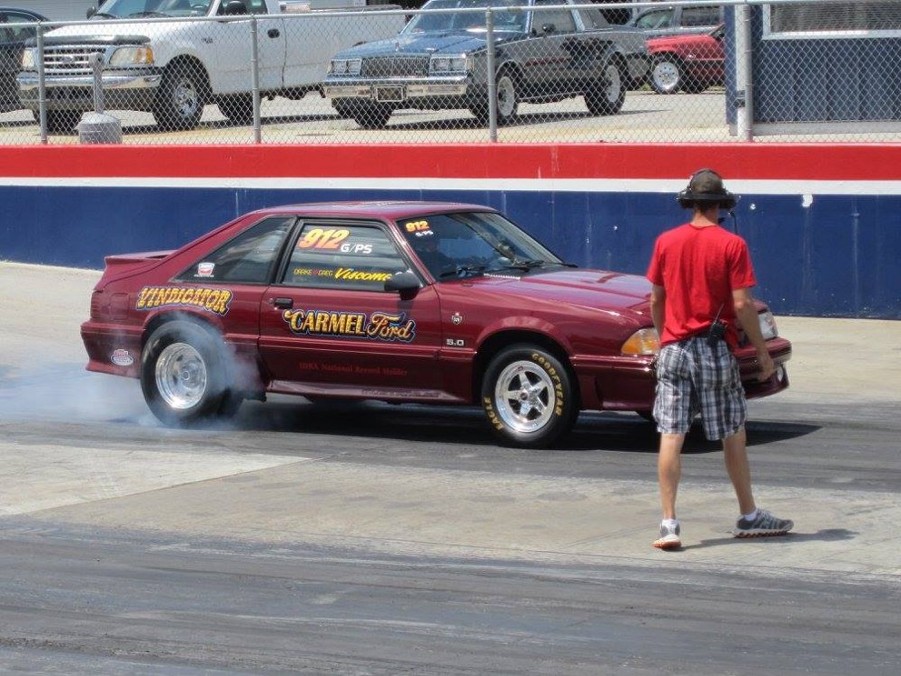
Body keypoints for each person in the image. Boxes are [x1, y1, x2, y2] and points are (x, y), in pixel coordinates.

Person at [645, 168, 793, 550]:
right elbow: (742, 304)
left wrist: (665, 340)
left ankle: (668, 524)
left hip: (675, 349)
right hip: (714, 350)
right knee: (733, 433)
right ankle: (748, 514)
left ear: (691, 203)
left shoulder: (666, 241)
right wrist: (761, 351)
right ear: (721, 205)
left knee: (671, 434)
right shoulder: (732, 245)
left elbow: (656, 300)